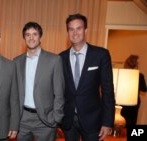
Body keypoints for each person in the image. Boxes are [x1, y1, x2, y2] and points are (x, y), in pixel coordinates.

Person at [59, 13, 115, 141]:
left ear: (85, 30)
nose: (75, 33)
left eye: (79, 28)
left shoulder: (101, 55)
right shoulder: (60, 58)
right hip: (68, 122)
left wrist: (107, 122)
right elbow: (59, 91)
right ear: (67, 32)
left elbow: (107, 91)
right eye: (71, 29)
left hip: (93, 121)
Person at [14, 21, 65, 141]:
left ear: (40, 37)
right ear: (24, 38)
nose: (31, 37)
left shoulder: (54, 60)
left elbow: (59, 92)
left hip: (45, 120)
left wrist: (56, 118)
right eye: (27, 34)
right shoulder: (16, 62)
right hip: (22, 119)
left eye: (35, 34)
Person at [121, 55, 147, 127]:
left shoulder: (122, 74)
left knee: (121, 120)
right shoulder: (140, 75)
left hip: (122, 100)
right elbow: (144, 89)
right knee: (132, 121)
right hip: (135, 101)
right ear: (136, 65)